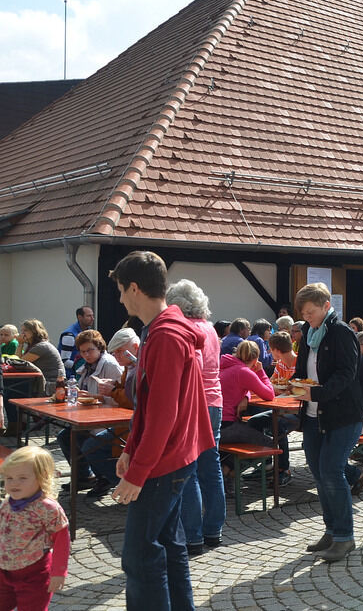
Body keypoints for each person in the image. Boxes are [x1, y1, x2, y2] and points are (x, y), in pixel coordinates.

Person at [108, 250, 215, 610]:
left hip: (164, 464)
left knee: (139, 556)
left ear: (135, 288)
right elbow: (149, 406)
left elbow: (163, 415)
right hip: (170, 459)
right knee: (169, 548)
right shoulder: (158, 330)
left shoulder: (167, 336)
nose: (120, 298)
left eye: (122, 290)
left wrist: (137, 473)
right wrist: (128, 450)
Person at [294, 283, 363, 561]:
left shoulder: (341, 332)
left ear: (326, 306)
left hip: (342, 415)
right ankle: (331, 530)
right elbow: (304, 370)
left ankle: (345, 537)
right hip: (313, 415)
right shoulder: (310, 332)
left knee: (332, 473)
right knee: (320, 475)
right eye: (304, 313)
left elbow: (347, 373)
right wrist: (294, 386)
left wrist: (318, 392)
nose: (307, 317)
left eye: (311, 312)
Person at [167, 279, 227, 556]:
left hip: (194, 402)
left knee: (188, 468)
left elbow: (194, 366)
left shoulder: (186, 329)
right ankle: (213, 531)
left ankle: (193, 536)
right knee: (210, 466)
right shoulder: (210, 329)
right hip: (214, 401)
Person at [0, 446, 70, 610]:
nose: (13, 483)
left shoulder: (47, 508)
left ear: (41, 478)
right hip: (4, 572)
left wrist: (59, 572)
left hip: (34, 574)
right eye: (9, 478)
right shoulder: (7, 502)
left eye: (22, 478)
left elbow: (61, 541)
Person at [55, 329, 124, 493]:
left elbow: (119, 397)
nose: (86, 354)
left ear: (99, 348)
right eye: (83, 351)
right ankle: (84, 477)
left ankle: (107, 478)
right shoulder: (87, 366)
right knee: (65, 436)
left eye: (90, 350)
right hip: (91, 415)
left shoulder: (110, 364)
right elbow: (84, 390)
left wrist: (95, 397)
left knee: (87, 442)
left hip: (111, 419)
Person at [218, 340, 293, 485]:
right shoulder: (243, 372)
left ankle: (227, 470)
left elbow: (238, 389)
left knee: (251, 427)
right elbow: (269, 394)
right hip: (226, 427)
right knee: (269, 444)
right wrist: (260, 371)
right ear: (255, 359)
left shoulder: (224, 365)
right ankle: (230, 475)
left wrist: (245, 396)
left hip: (213, 425)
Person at [17, 319, 65, 394]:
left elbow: (20, 363)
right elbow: (17, 362)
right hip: (41, 381)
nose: (22, 333)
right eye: (21, 330)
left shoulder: (41, 346)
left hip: (51, 384)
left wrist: (20, 344)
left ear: (34, 331)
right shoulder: (33, 346)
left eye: (25, 330)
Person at [58, 305, 94, 371]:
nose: (92, 319)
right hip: (71, 377)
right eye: (89, 316)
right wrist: (84, 367)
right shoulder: (69, 335)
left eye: (92, 315)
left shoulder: (90, 333)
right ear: (80, 317)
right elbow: (64, 361)